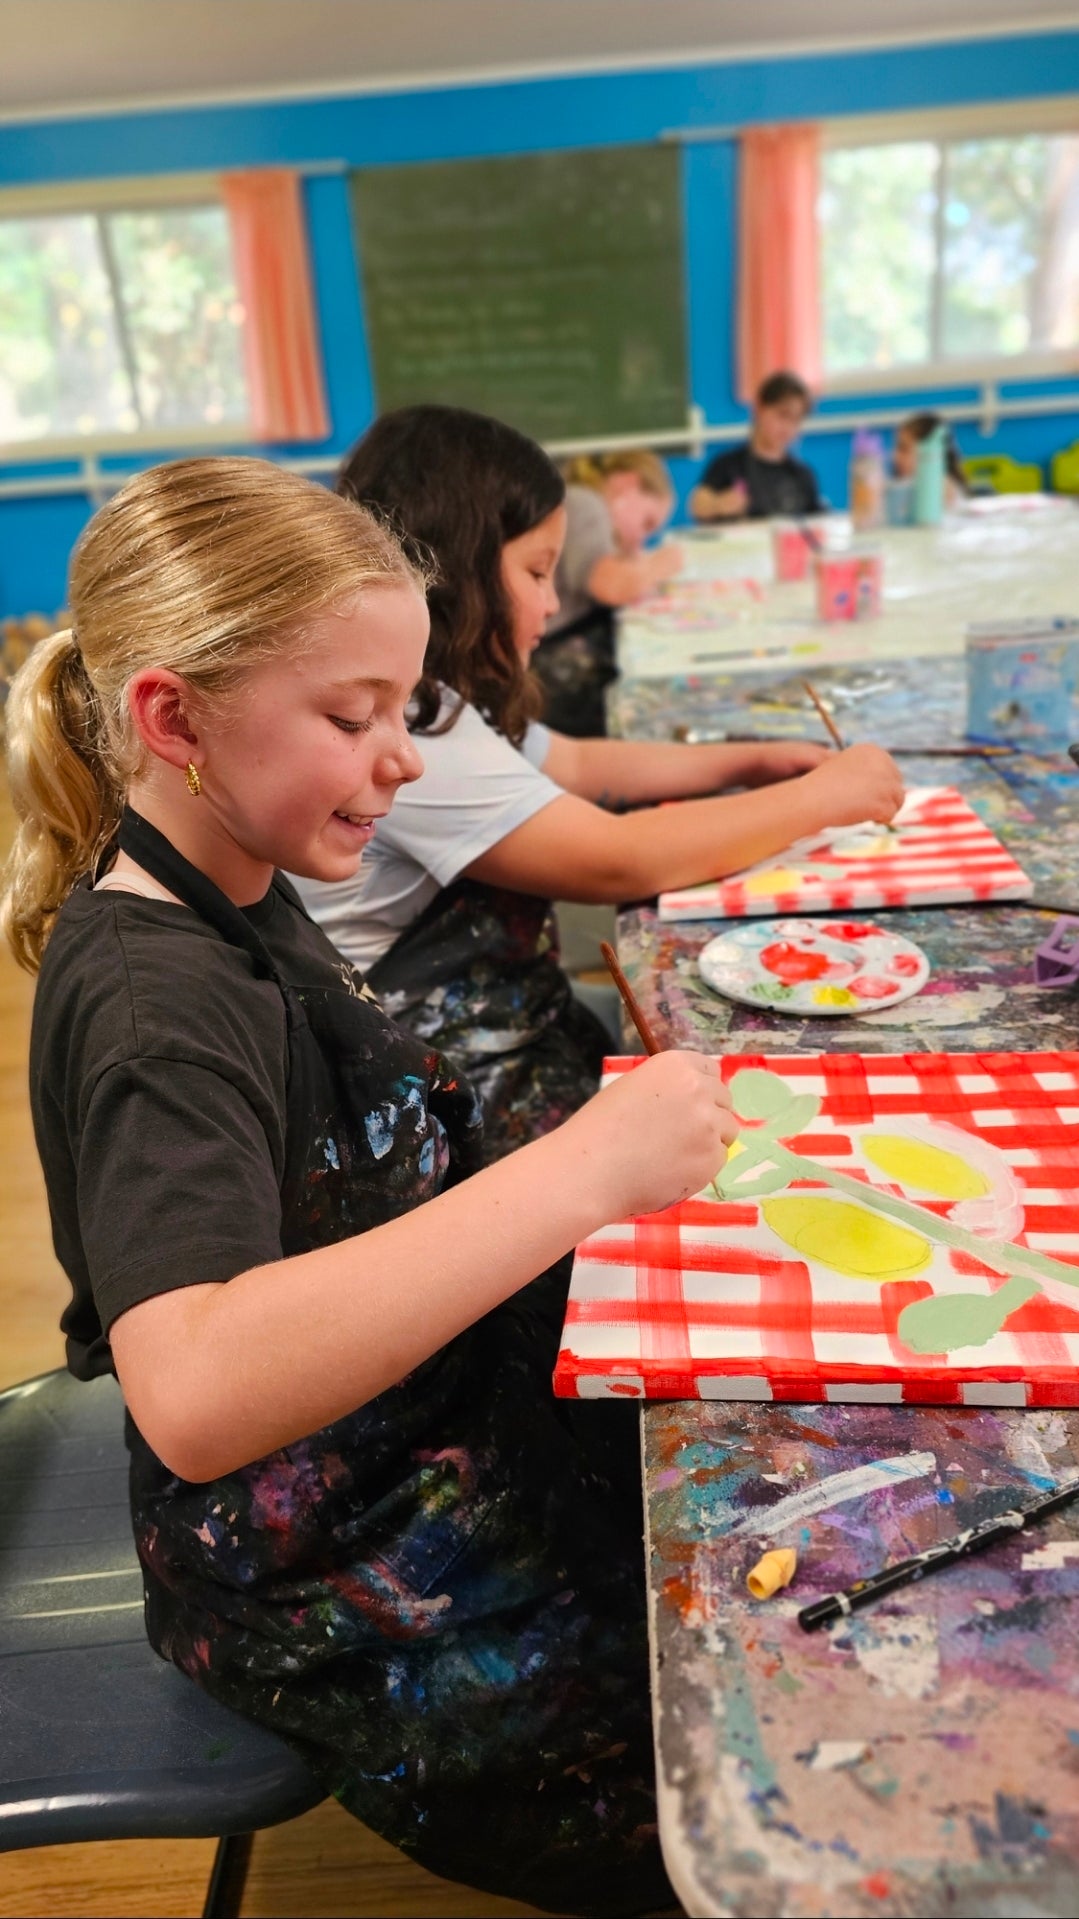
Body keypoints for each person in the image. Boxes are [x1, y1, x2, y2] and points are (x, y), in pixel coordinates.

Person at [3, 455, 743, 1917]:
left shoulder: (243, 872)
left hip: (423, 1436)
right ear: (173, 719)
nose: (399, 758)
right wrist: (580, 1170)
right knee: (721, 1752)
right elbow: (195, 1387)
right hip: (321, 1561)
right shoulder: (155, 1004)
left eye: (403, 710)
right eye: (352, 719)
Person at [301, 405, 903, 1161]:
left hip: (504, 1033)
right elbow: (621, 858)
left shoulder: (443, 705)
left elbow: (581, 763)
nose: (554, 601)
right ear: (459, 572)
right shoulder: (416, 732)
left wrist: (753, 761)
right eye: (536, 572)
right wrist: (821, 799)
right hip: (439, 1103)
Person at [533, 450, 683, 736]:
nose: (641, 539)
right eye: (647, 523)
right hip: (554, 675)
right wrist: (662, 563)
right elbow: (611, 586)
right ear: (628, 483)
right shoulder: (584, 503)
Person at [690, 369, 823, 521]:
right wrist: (718, 504)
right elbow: (697, 505)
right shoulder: (727, 465)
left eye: (796, 420)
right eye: (782, 415)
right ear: (759, 408)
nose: (788, 427)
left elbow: (817, 520)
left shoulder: (802, 474)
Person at [893, 411, 968, 502]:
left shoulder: (943, 489)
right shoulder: (907, 487)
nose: (895, 456)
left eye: (904, 449)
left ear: (929, 453)